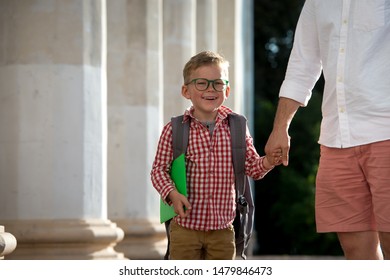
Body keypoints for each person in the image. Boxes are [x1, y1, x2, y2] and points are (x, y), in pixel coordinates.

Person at [265, 0, 390, 260]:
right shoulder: (316, 3)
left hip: (385, 130)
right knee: (356, 252)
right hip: (337, 138)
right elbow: (302, 65)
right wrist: (280, 128)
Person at [151, 50, 282, 260]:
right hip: (185, 228)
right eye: (201, 83)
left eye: (218, 83)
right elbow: (158, 171)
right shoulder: (174, 129)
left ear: (227, 89)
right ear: (186, 91)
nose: (210, 89)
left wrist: (268, 160)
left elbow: (252, 168)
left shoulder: (237, 127)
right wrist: (172, 195)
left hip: (223, 231)